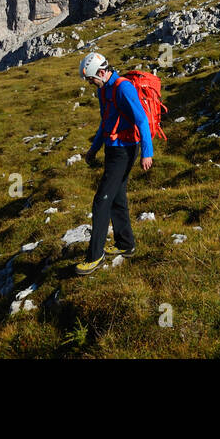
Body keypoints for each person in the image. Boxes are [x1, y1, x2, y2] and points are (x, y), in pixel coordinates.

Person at [75, 52, 154, 276]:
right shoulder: (104, 90)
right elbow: (105, 122)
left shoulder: (123, 87)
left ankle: (94, 256)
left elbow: (141, 119)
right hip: (112, 148)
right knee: (117, 196)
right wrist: (94, 149)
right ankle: (125, 244)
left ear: (102, 72)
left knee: (101, 201)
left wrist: (147, 153)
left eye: (92, 79)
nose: (92, 84)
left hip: (126, 150)